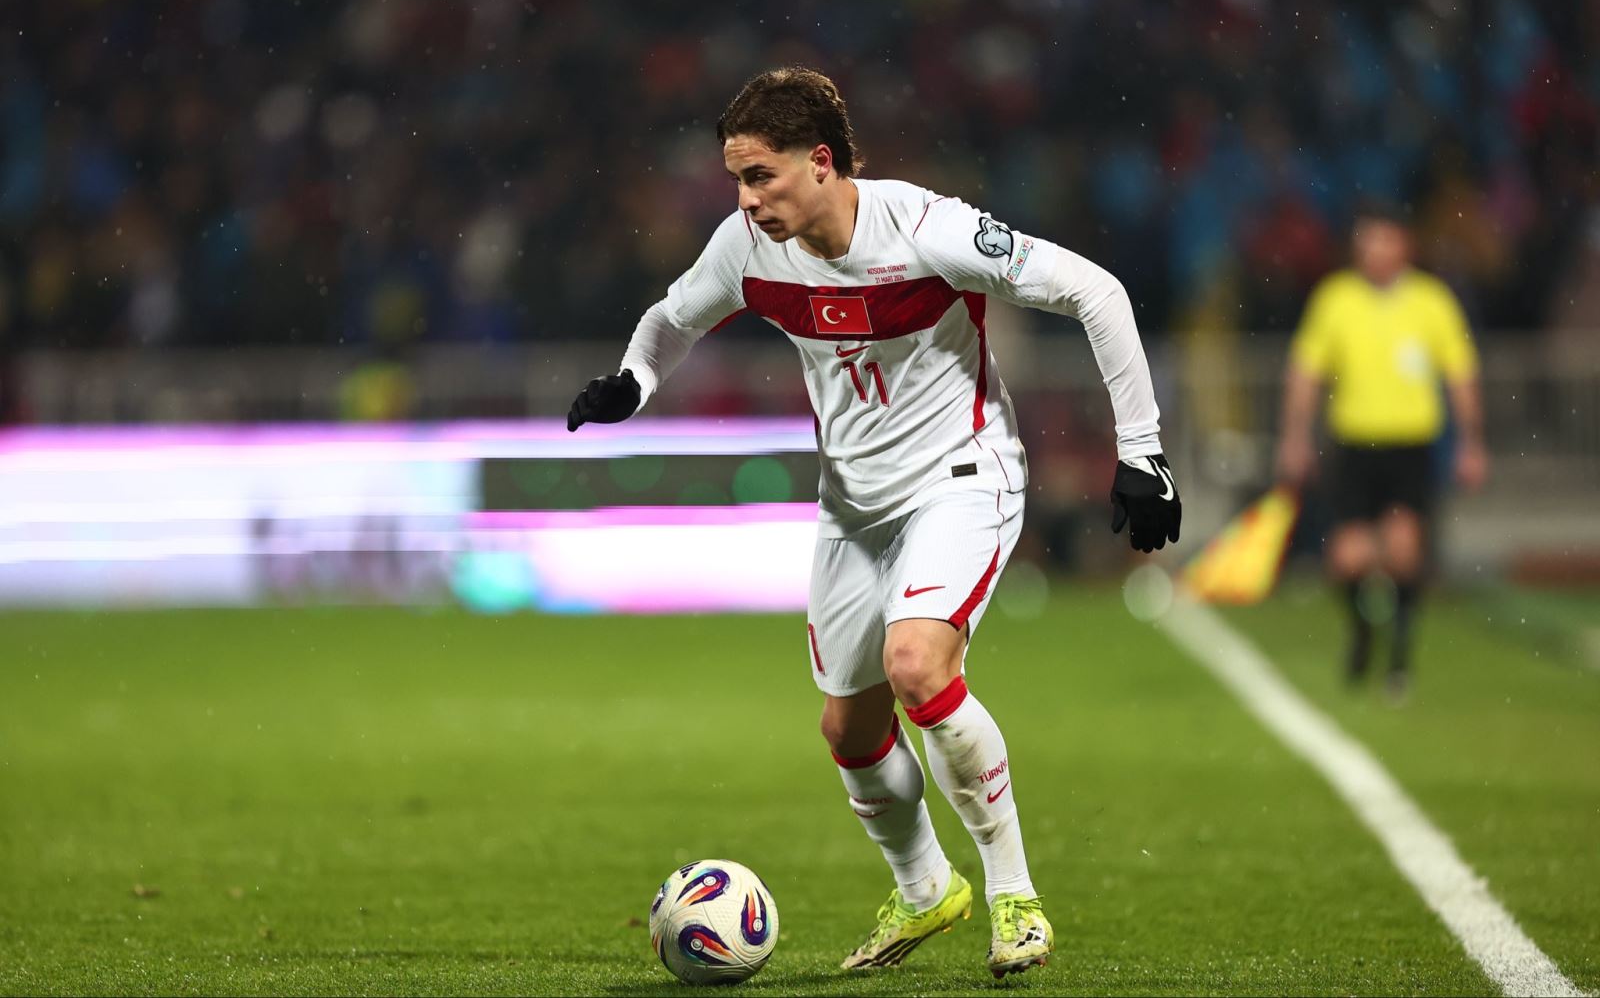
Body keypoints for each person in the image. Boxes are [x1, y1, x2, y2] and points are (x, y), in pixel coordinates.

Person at [567, 67, 1181, 978]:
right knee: (849, 732)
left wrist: (1141, 449)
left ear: (821, 162)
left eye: (760, 176)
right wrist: (634, 381)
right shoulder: (746, 248)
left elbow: (1095, 290)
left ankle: (1015, 896)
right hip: (852, 507)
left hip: (962, 477)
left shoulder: (928, 229)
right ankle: (926, 887)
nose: (746, 200)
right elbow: (671, 318)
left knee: (917, 664)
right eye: (737, 180)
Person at [1275, 202, 1487, 701]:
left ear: (1405, 244)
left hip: (1410, 445)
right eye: (1367, 241)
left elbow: (1460, 374)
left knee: (1404, 549)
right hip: (1354, 446)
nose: (1375, 250)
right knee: (1345, 559)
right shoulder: (1336, 299)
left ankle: (1400, 656)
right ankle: (1364, 631)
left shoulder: (1431, 301)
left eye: (1385, 239)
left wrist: (1472, 442)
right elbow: (1306, 372)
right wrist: (1295, 437)